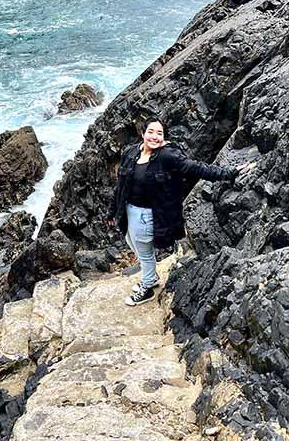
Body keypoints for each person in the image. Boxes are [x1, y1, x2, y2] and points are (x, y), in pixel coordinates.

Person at [107, 117, 254, 307]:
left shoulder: (168, 156)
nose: (154, 137)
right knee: (131, 243)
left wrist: (229, 173)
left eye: (159, 133)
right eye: (150, 132)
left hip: (147, 215)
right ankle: (149, 276)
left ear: (164, 137)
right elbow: (120, 186)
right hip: (127, 210)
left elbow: (196, 168)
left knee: (143, 252)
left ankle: (148, 286)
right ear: (142, 134)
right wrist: (112, 211)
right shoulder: (131, 153)